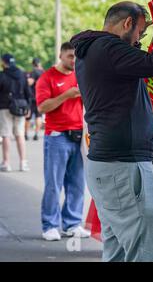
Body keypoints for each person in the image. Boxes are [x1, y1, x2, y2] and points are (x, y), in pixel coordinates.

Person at [71, 0, 153, 262]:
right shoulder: (108, 48)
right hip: (123, 167)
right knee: (145, 251)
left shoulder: (94, 50)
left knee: (118, 251)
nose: (140, 43)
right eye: (141, 35)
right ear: (127, 24)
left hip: (111, 166)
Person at [36, 42, 90, 241]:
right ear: (60, 55)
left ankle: (72, 223)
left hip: (78, 136)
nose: (73, 60)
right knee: (54, 184)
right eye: (69, 56)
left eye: (76, 57)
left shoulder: (81, 76)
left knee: (77, 183)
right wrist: (66, 95)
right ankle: (50, 225)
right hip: (57, 137)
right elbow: (42, 108)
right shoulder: (47, 77)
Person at [0, 54, 31, 172]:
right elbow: (28, 92)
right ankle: (23, 163)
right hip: (21, 108)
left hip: (4, 108)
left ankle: (6, 163)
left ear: (4, 62)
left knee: (6, 135)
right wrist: (28, 107)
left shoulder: (2, 75)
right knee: (20, 135)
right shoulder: (22, 74)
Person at [25, 57, 45, 141]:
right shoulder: (43, 72)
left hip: (32, 97)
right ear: (39, 63)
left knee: (28, 117)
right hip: (41, 97)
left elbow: (30, 82)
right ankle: (36, 134)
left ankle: (25, 134)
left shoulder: (34, 72)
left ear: (33, 64)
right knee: (38, 116)